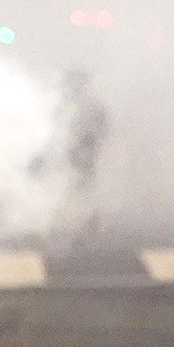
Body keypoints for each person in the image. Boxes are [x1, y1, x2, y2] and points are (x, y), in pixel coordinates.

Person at [33, 68, 109, 249]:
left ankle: (81, 228)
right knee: (75, 191)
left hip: (80, 156)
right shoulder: (85, 106)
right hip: (77, 156)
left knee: (76, 191)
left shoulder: (81, 107)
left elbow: (98, 130)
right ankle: (81, 228)